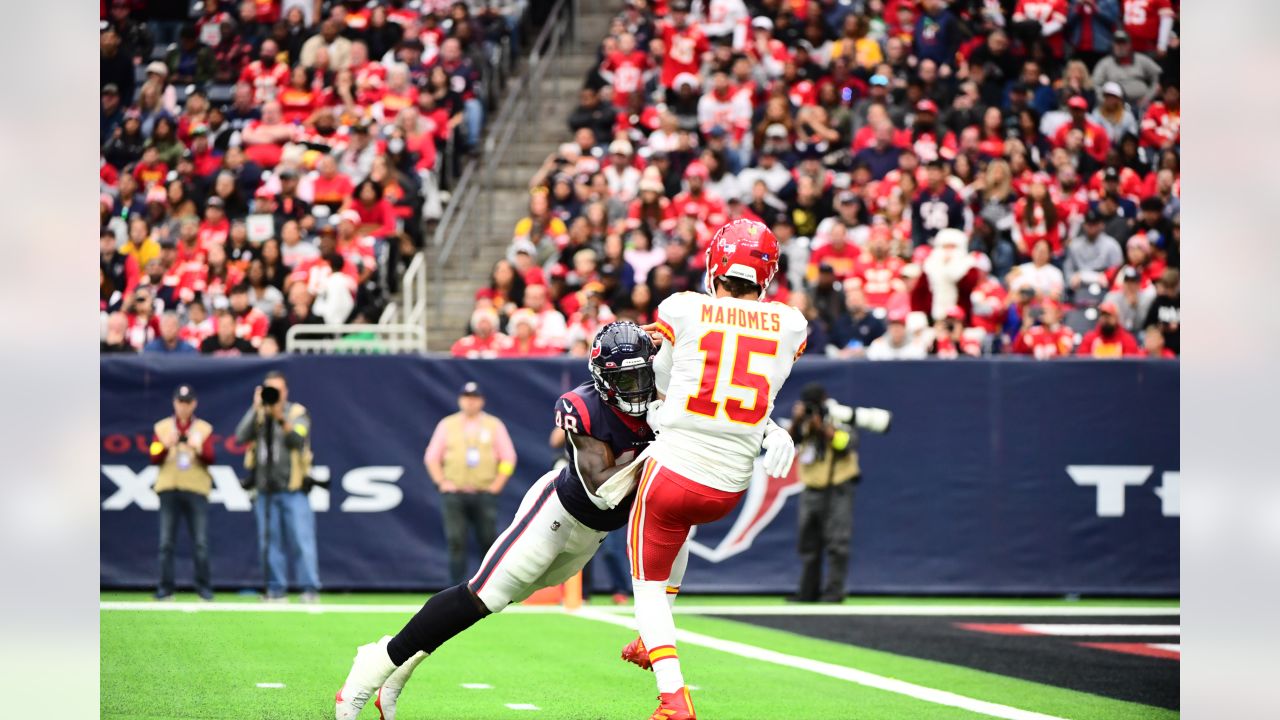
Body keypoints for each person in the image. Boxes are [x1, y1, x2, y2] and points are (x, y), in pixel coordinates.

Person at [334, 323, 658, 720]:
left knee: (496, 600)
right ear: (603, 379)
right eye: (625, 378)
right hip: (557, 513)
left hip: (592, 536)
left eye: (643, 374)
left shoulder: (665, 394)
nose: (638, 387)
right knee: (481, 594)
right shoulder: (581, 406)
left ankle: (397, 674)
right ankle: (366, 673)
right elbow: (602, 487)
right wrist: (665, 451)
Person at [617, 219, 803, 719]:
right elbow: (749, 390)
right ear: (766, 274)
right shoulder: (790, 324)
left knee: (646, 588)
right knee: (676, 536)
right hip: (729, 486)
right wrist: (771, 430)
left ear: (715, 265)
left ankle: (672, 698)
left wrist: (659, 410)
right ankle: (648, 639)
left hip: (674, 469)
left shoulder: (682, 308)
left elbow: (659, 377)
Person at [788, 384, 891, 603]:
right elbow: (791, 442)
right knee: (808, 543)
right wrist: (799, 420)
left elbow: (848, 444)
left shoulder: (839, 416)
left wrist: (825, 429)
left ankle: (834, 591)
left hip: (838, 487)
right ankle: (807, 591)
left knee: (837, 542)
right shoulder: (804, 420)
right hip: (811, 487)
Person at [422, 382, 518, 586]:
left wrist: (497, 484)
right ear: (460, 400)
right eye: (466, 397)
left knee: (488, 540)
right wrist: (441, 482)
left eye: (474, 398)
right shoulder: (447, 424)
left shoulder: (494, 425)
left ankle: (490, 585)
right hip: (454, 492)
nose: (470, 402)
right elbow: (431, 457)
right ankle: (455, 586)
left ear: (481, 401)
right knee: (456, 541)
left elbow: (508, 459)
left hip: (484, 492)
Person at [234, 371, 319, 602]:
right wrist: (255, 408)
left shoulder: (297, 413)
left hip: (293, 489)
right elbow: (240, 436)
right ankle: (275, 590)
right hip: (265, 490)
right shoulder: (260, 414)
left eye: (278, 390)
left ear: (286, 391)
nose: (274, 395)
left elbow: (298, 439)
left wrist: (281, 418)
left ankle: (309, 590)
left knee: (302, 541)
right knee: (269, 543)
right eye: (269, 389)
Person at [149, 385, 216, 601]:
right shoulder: (162, 427)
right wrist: (164, 444)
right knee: (166, 542)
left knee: (200, 542)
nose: (184, 406)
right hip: (169, 488)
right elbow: (153, 456)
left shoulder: (204, 428)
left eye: (188, 402)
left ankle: (203, 587)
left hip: (196, 488)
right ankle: (165, 587)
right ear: (174, 403)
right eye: (180, 402)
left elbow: (211, 457)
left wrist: (198, 447)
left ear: (194, 404)